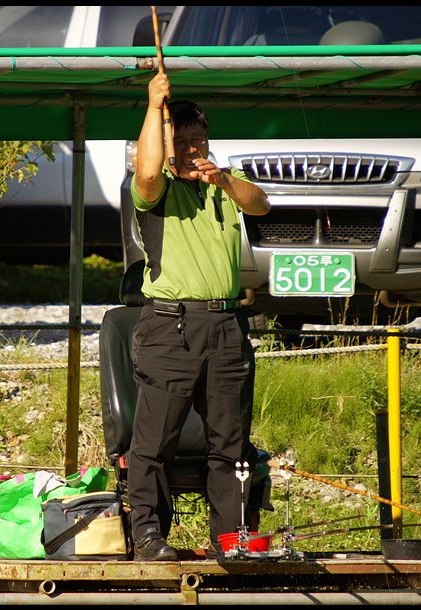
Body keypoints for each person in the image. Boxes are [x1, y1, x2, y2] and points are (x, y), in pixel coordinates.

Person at [127, 71, 271, 561]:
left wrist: (223, 178)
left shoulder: (223, 185)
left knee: (231, 443)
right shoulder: (155, 189)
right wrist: (154, 107)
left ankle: (231, 539)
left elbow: (262, 204)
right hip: (171, 327)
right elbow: (148, 174)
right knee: (154, 441)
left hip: (227, 326)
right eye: (181, 142)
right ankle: (149, 536)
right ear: (165, 146)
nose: (191, 150)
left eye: (198, 141)